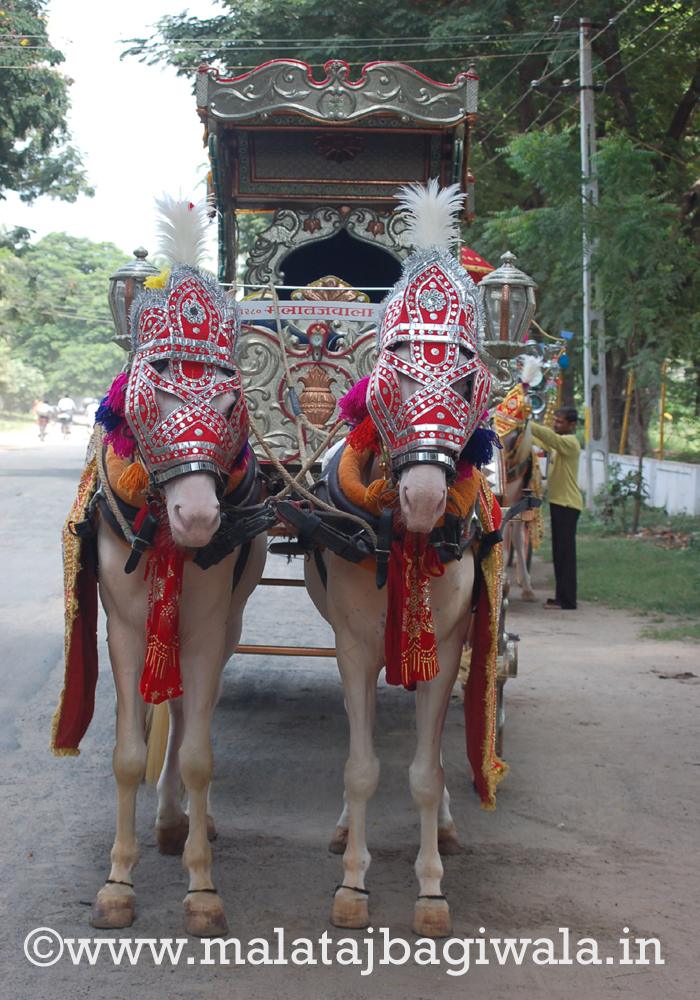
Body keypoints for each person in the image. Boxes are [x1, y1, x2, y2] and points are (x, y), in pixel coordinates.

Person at [530, 406, 583, 610]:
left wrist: (527, 422)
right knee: (559, 553)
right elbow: (542, 440)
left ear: (572, 425)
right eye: (555, 421)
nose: (555, 424)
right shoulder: (560, 444)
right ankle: (561, 597)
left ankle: (568, 600)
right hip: (560, 503)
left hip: (567, 504)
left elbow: (550, 439)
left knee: (565, 554)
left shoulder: (570, 442)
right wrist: (521, 431)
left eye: (559, 422)